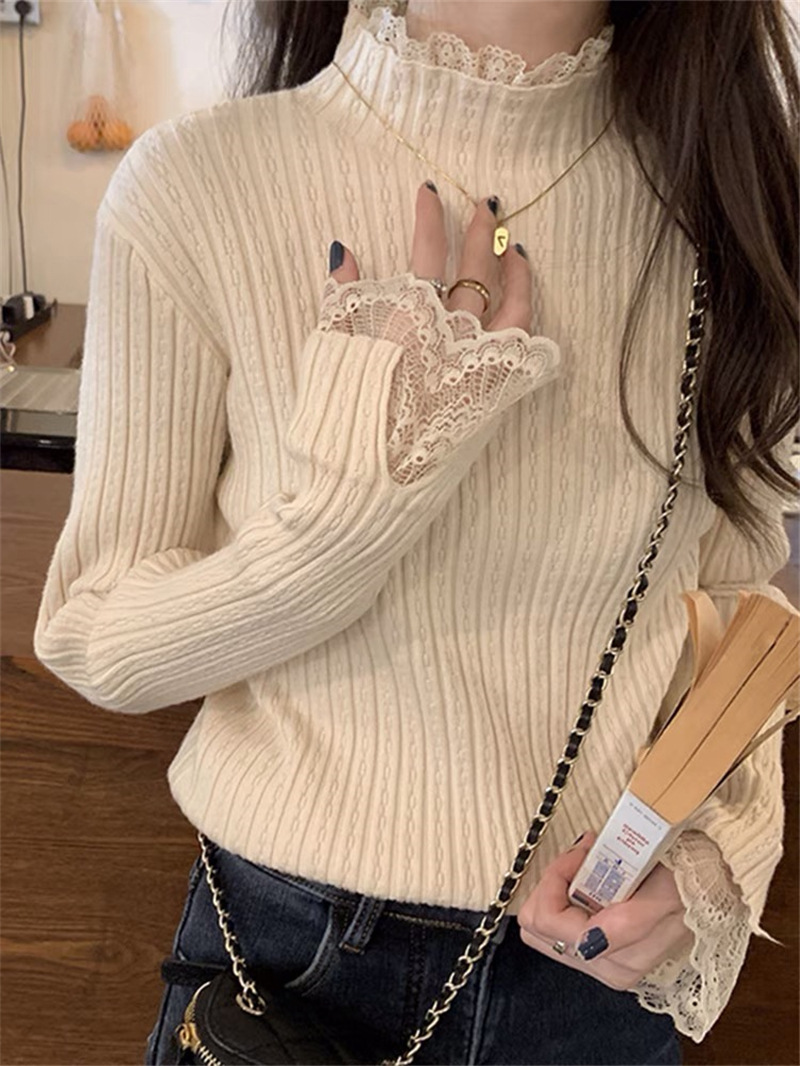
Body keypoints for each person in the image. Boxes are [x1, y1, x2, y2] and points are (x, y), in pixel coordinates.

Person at [33, 0, 798, 1063]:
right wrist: (348, 516)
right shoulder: (199, 183)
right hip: (281, 962)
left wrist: (715, 859)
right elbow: (95, 633)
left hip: (590, 965)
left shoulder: (737, 206)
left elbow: (742, 617)